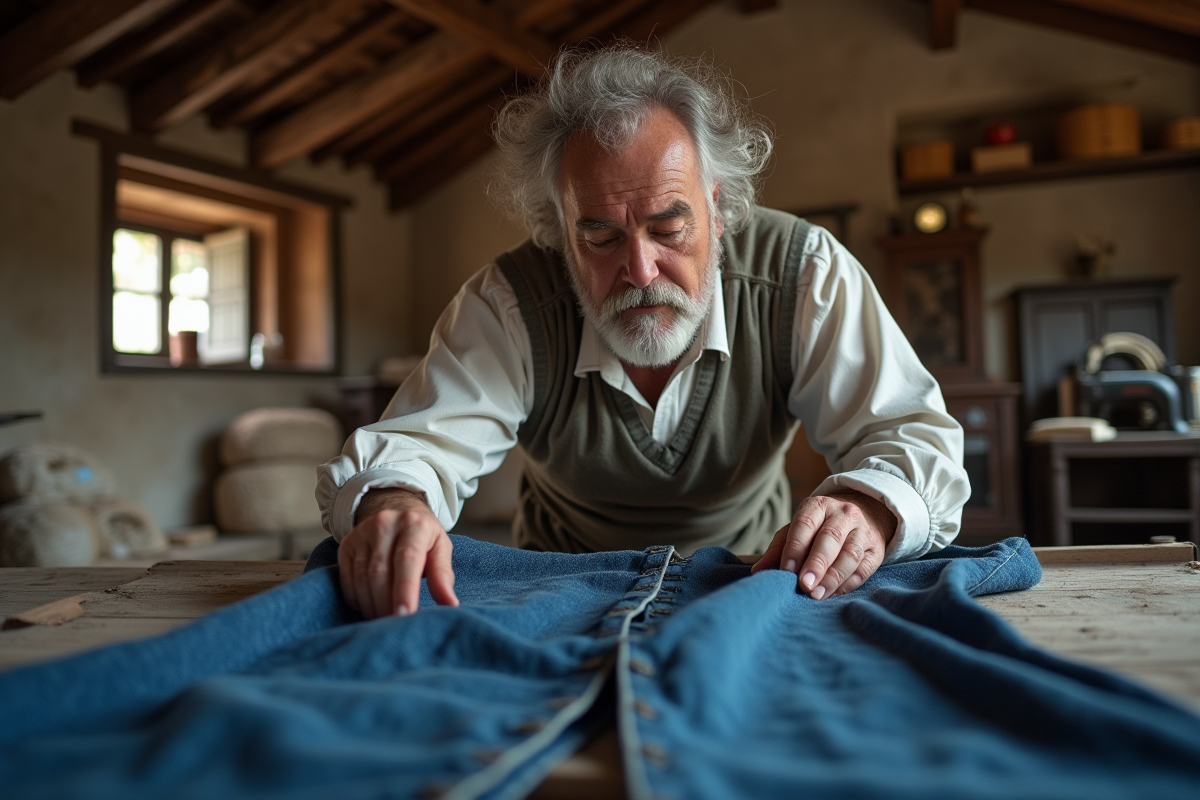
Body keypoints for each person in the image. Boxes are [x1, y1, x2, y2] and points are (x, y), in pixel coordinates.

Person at [316, 45, 969, 620]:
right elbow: (418, 449)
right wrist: (395, 504)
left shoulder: (804, 273)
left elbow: (908, 434)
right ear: (558, 230)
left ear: (717, 207)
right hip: (559, 593)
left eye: (668, 227)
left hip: (756, 580)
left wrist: (870, 508)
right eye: (599, 235)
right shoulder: (509, 302)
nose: (639, 270)